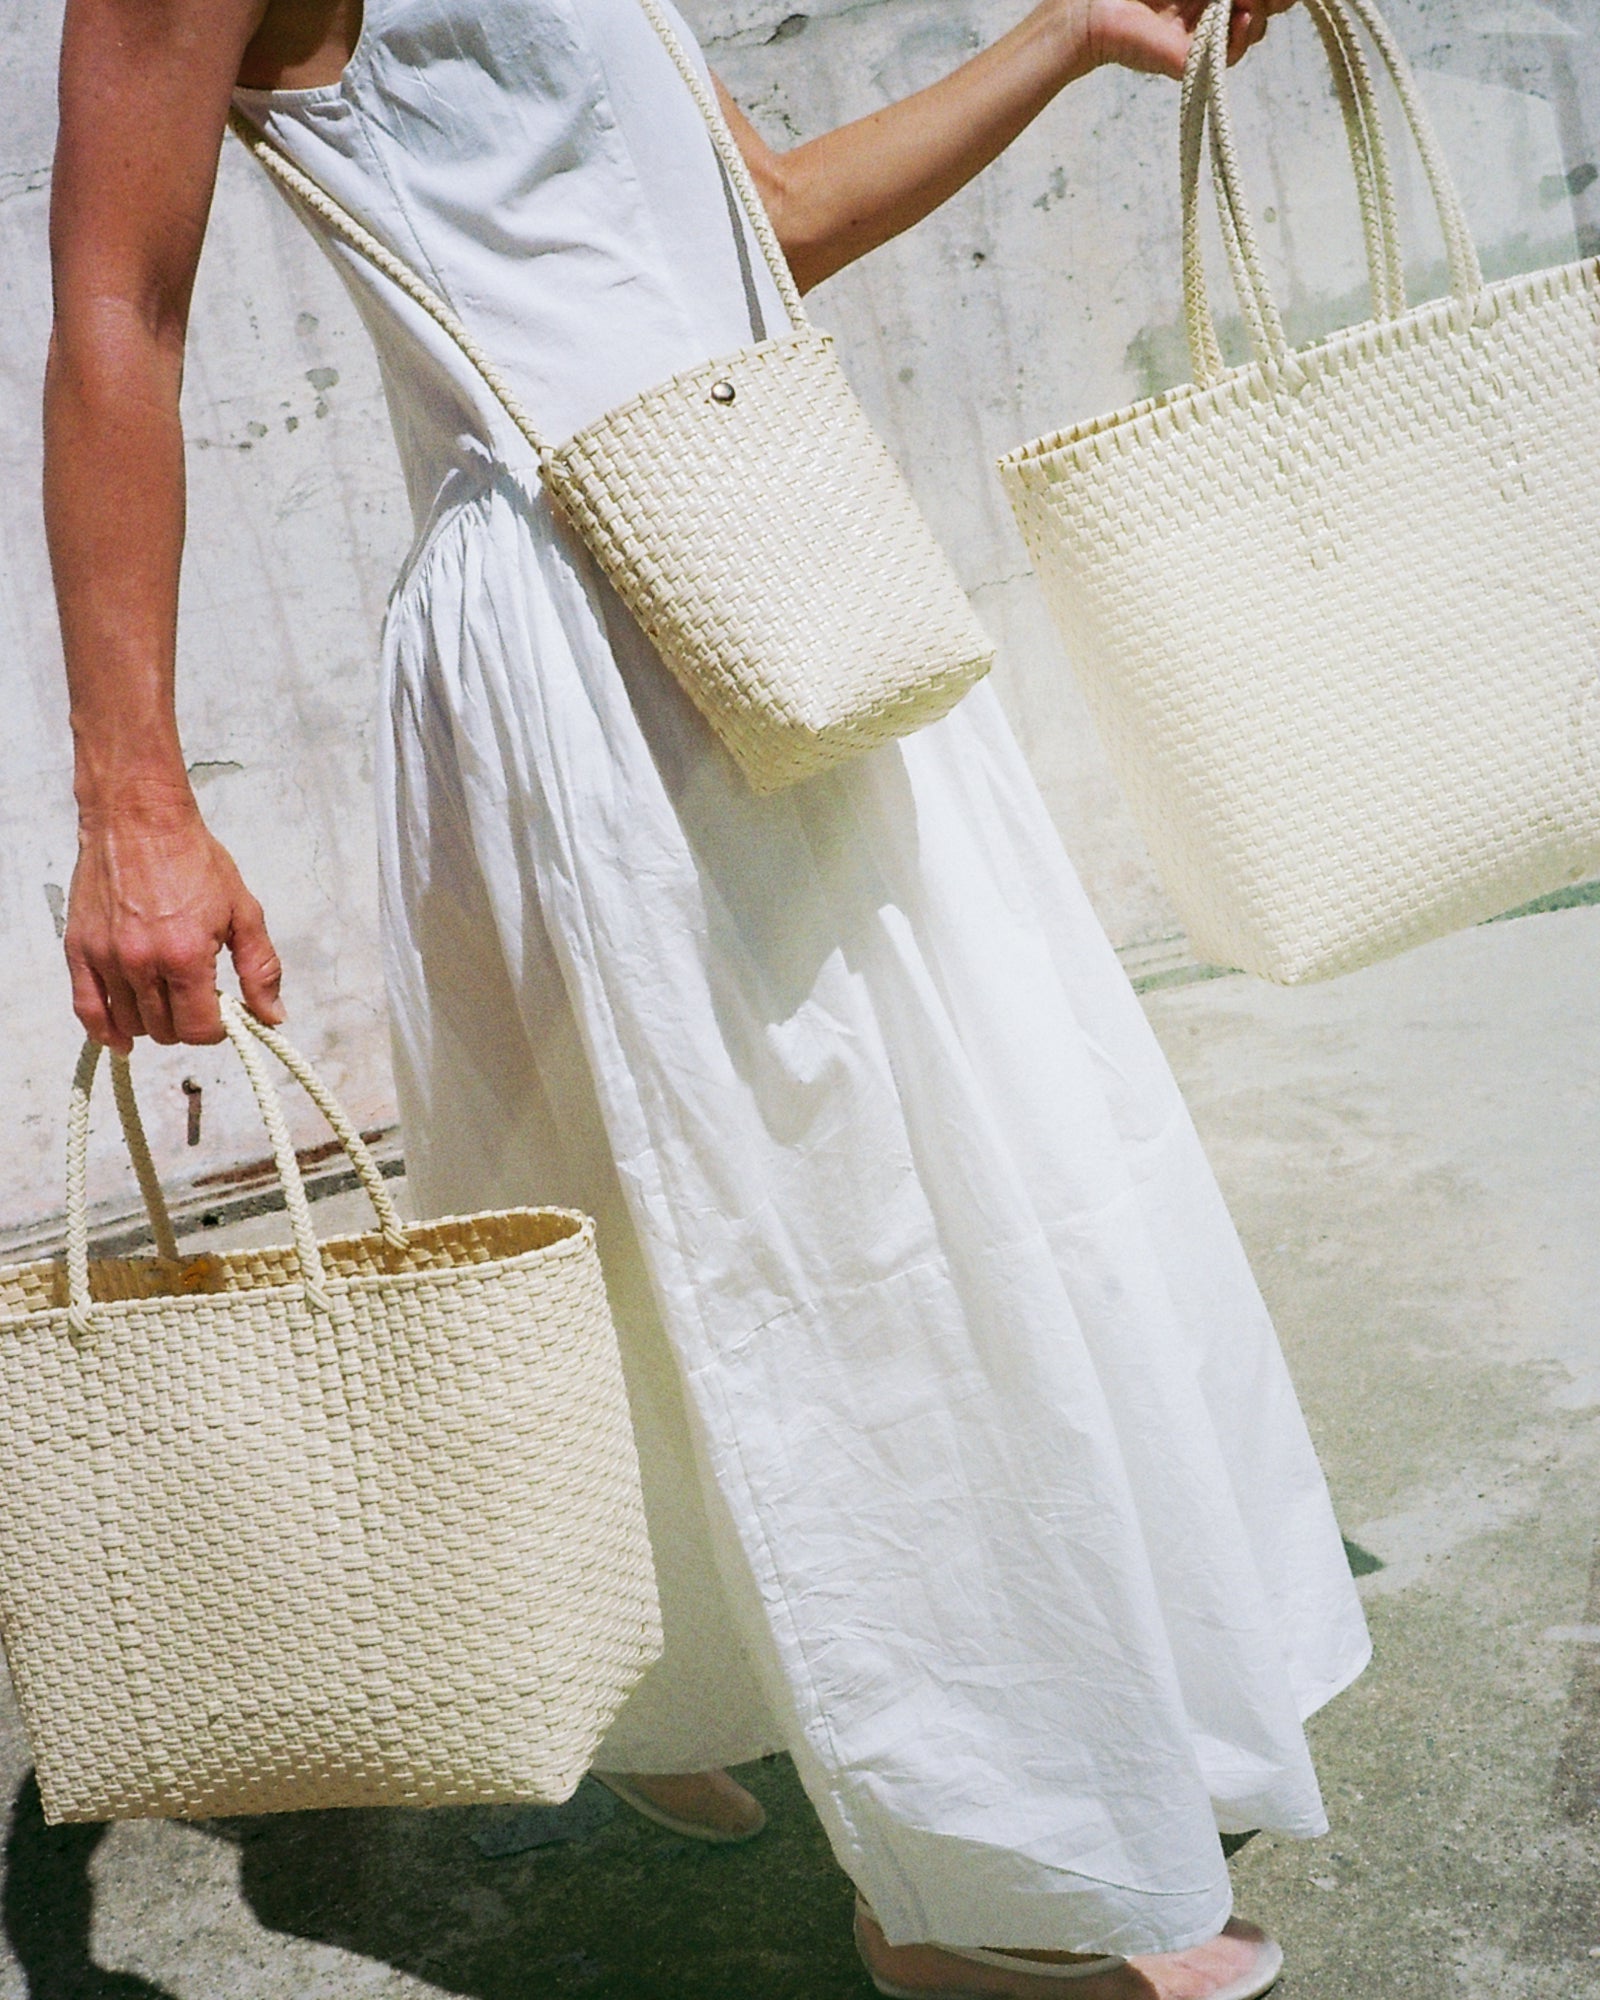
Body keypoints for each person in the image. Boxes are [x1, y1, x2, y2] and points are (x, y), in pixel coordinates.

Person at [45, 0, 1370, 1990]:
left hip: (771, 576)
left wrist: (1075, 33)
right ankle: (976, 1891)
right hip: (610, 640)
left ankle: (690, 1679)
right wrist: (135, 804)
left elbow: (769, 214)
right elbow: (117, 313)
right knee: (840, 1234)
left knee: (732, 1207)